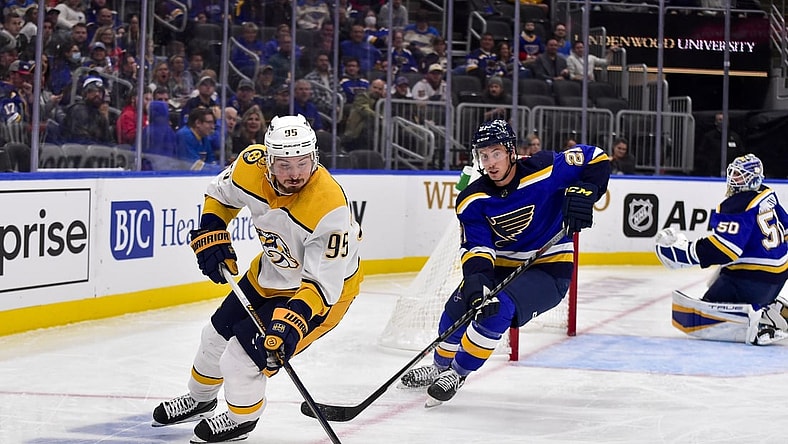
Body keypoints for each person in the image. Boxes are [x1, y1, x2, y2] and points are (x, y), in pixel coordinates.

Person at [151, 114, 363, 442]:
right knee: (213, 337)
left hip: (318, 294)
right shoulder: (251, 166)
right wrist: (212, 227)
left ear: (314, 158)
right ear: (268, 161)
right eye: (284, 165)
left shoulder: (329, 208)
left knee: (242, 358)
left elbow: (323, 284)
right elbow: (220, 195)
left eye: (302, 163)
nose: (294, 174)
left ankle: (241, 420)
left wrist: (291, 322)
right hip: (269, 274)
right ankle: (200, 399)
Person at [399, 119, 610, 405]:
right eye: (484, 156)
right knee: (458, 306)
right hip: (501, 269)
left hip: (549, 269)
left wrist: (588, 190)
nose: (490, 163)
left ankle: (458, 373)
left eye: (496, 153)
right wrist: (476, 282)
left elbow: (596, 157)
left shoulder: (545, 168)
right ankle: (439, 367)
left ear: (511, 151)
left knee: (497, 310)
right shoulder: (472, 199)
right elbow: (478, 247)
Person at [655, 154, 788, 345]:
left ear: (754, 178)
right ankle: (770, 306)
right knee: (722, 271)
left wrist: (685, 253)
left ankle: (759, 320)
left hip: (753, 280)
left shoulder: (737, 204)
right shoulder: (766, 194)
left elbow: (724, 250)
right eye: (733, 173)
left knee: (710, 303)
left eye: (740, 175)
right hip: (777, 276)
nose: (733, 179)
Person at [694, 112, 746, 177]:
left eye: (725, 120)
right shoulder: (709, 137)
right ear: (716, 122)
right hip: (713, 173)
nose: (723, 122)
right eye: (720, 120)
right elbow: (701, 154)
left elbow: (741, 154)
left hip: (732, 173)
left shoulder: (735, 137)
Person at [343, 78, 386, 151]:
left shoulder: (382, 101)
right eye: (375, 87)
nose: (377, 91)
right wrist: (379, 117)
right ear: (370, 87)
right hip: (357, 131)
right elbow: (365, 110)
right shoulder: (362, 96)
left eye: (380, 89)